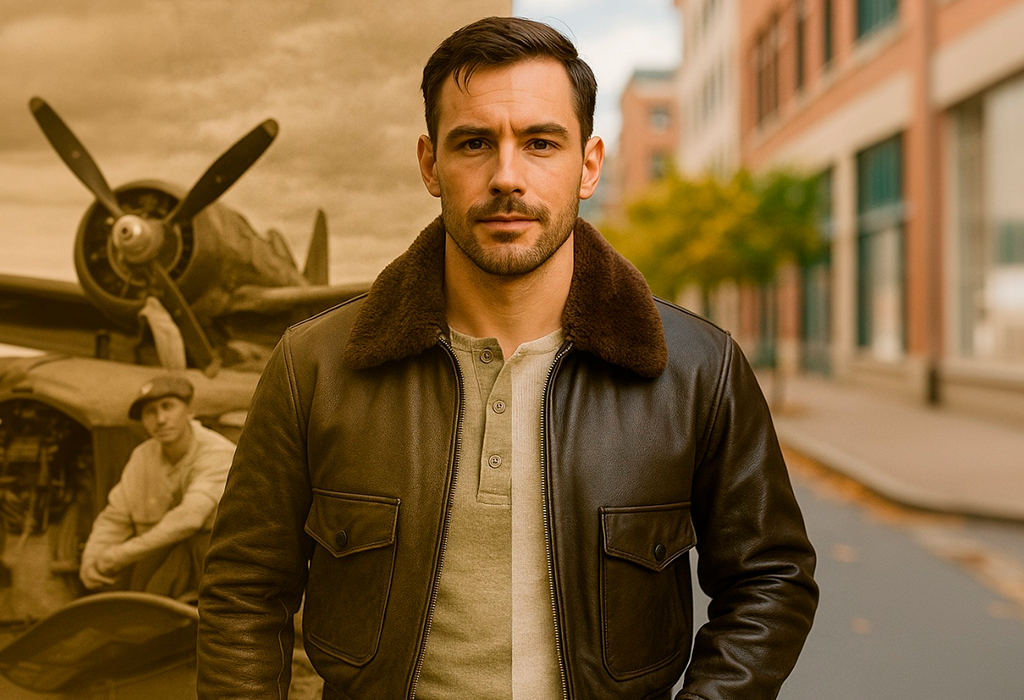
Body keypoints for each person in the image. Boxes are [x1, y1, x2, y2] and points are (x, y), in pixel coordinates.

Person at [198, 16, 818, 700]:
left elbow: (771, 580)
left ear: (589, 165)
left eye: (540, 142)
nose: (506, 176)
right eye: (473, 143)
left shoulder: (700, 370)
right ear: (431, 165)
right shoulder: (311, 366)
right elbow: (243, 592)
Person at [79, 374, 234, 598]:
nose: (160, 419)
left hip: (215, 563)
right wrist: (92, 559)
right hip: (162, 565)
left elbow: (188, 519)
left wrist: (117, 555)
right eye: (150, 411)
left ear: (189, 411)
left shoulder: (216, 451)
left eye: (167, 407)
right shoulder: (143, 456)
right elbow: (115, 517)